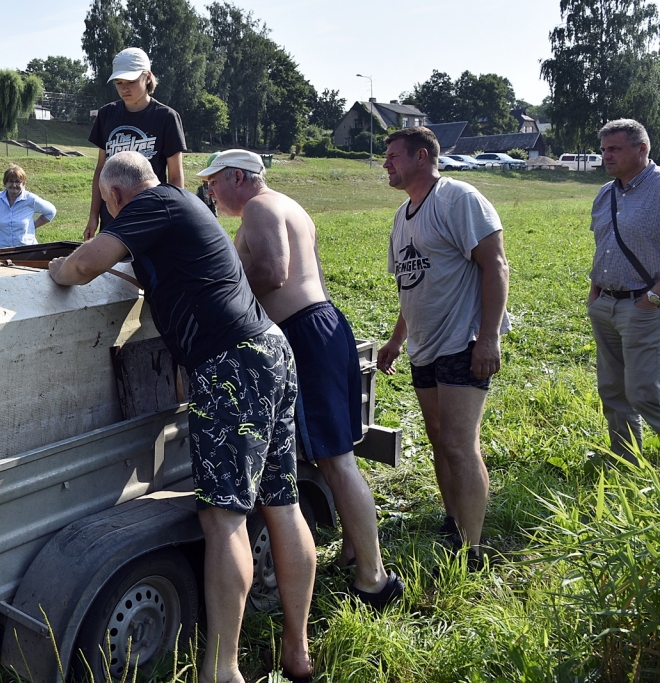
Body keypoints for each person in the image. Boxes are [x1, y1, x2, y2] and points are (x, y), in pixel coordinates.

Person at [50, 151, 315, 683]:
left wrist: (55, 269)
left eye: (108, 207)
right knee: (281, 503)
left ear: (118, 196)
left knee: (224, 519)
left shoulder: (153, 204)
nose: (111, 214)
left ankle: (221, 670)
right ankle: (297, 650)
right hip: (269, 352)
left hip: (230, 365)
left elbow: (81, 266)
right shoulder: (183, 208)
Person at [199, 149, 404, 607]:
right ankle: (355, 550)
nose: (210, 191)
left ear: (238, 176)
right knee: (339, 453)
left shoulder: (260, 206)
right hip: (324, 325)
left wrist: (217, 296)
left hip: (305, 334)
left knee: (335, 461)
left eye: (214, 181)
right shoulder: (290, 206)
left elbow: (274, 271)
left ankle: (374, 580)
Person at [376, 127, 510, 565]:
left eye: (393, 156)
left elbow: (495, 265)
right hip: (425, 347)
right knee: (437, 439)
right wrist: (398, 338)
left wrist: (487, 338)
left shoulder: (457, 198)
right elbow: (409, 284)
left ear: (421, 156)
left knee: (458, 442)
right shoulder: (402, 216)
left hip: (463, 341)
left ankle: (472, 549)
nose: (386, 164)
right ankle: (451, 520)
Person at [586, 118, 660, 463]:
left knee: (643, 390)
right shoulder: (606, 193)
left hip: (644, 306)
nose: (606, 156)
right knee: (613, 390)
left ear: (642, 149)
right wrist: (594, 294)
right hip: (606, 304)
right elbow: (604, 245)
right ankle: (627, 461)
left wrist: (653, 299)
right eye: (604, 150)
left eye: (614, 149)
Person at [83, 47, 186, 241]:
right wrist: (93, 216)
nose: (124, 88)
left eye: (131, 81)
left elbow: (175, 176)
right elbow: (100, 171)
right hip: (112, 219)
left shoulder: (166, 117)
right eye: (119, 83)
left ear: (147, 77)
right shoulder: (106, 115)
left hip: (151, 218)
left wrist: (174, 220)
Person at [0, 164, 57, 249]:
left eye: (18, 182)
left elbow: (51, 211)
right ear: (5, 183)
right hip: (1, 249)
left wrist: (33, 226)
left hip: (26, 250)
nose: (14, 185)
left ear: (23, 184)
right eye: (10, 181)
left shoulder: (31, 199)